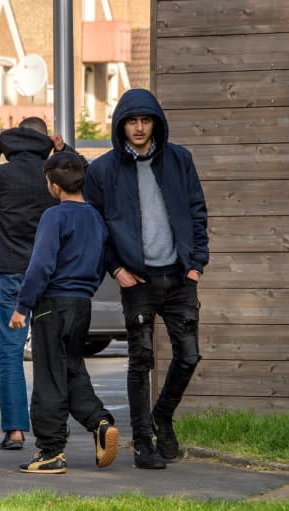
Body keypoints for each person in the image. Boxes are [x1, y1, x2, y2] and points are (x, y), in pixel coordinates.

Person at [84, 88, 209, 470]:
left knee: (188, 355)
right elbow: (96, 226)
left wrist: (196, 263)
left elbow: (197, 211)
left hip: (179, 276)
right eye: (132, 122)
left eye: (145, 120)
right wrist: (116, 269)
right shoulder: (102, 170)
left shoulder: (179, 160)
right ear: (121, 125)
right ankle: (143, 442)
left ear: (156, 122)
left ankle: (162, 417)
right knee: (140, 361)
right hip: (136, 281)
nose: (139, 128)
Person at [0, 117, 84, 450]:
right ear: (44, 140)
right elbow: (86, 180)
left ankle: (16, 430)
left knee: (10, 352)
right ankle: (54, 425)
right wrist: (66, 151)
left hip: (13, 275)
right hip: (51, 276)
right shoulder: (55, 176)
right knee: (53, 353)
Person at [9, 152, 118, 474]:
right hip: (81, 304)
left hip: (51, 306)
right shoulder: (96, 217)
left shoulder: (54, 217)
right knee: (72, 370)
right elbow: (101, 265)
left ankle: (50, 450)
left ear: (53, 185)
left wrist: (22, 307)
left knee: (49, 378)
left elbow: (40, 266)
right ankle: (99, 421)